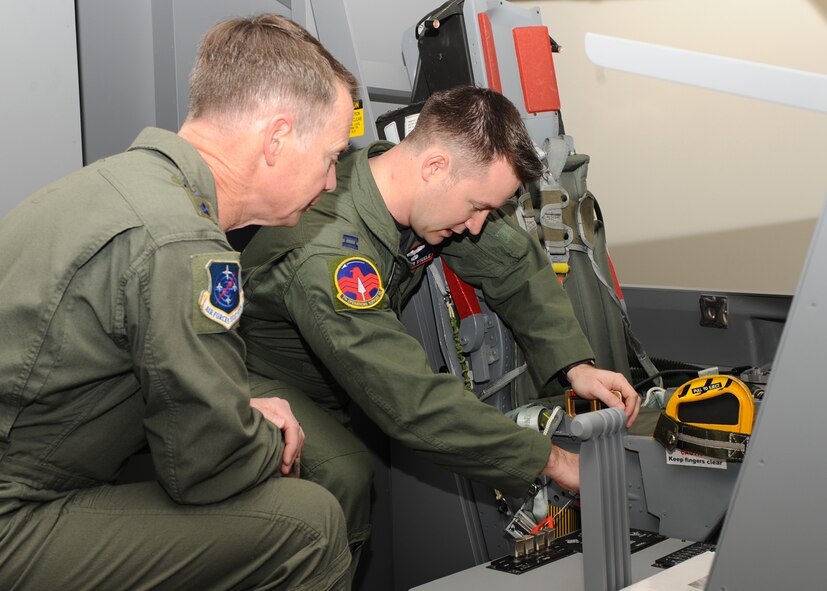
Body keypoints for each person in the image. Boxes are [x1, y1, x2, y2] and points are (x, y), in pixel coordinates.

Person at [0, 14, 359, 590]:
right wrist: (263, 438)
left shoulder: (106, 187)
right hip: (13, 518)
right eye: (331, 155)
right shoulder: (182, 242)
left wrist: (236, 413)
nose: (331, 183)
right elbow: (208, 466)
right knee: (309, 524)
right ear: (277, 138)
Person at [238, 85, 642, 571]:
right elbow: (414, 401)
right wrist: (553, 461)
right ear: (433, 167)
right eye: (475, 207)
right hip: (259, 380)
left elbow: (515, 266)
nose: (476, 226)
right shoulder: (329, 255)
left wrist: (576, 365)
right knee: (342, 476)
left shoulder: (422, 197)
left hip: (340, 369)